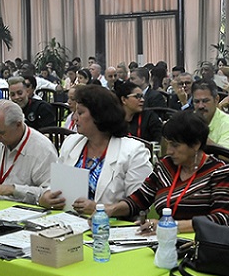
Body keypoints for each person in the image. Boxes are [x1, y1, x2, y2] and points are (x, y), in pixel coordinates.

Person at [107, 110, 229, 231]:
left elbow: (220, 219)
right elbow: (139, 199)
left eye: (175, 145)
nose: (169, 151)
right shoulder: (165, 167)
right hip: (162, 240)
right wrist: (110, 210)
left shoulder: (220, 172)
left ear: (196, 144)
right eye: (168, 143)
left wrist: (169, 226)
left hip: (199, 244)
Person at [40, 84, 152, 214]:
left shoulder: (133, 151)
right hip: (68, 220)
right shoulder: (71, 143)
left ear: (99, 116)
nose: (75, 118)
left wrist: (101, 209)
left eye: (80, 113)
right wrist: (46, 196)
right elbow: (56, 184)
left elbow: (141, 202)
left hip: (110, 226)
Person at [190, 80, 229, 152]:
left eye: (205, 101)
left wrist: (201, 140)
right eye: (196, 102)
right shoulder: (188, 121)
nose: (200, 106)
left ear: (216, 99)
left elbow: (226, 157)